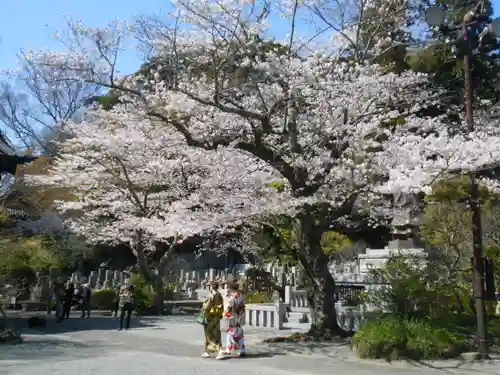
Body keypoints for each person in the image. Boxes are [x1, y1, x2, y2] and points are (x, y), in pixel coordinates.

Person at [216, 280, 246, 360]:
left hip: (233, 317)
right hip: (240, 316)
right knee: (236, 333)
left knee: (233, 333)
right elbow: (243, 306)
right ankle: (234, 348)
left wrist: (226, 312)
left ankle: (235, 348)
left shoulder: (233, 297)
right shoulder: (241, 295)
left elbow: (229, 308)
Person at [201, 281, 224, 358]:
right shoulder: (219, 295)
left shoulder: (211, 295)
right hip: (217, 316)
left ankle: (219, 350)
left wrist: (204, 303)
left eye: (209, 286)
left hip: (210, 317)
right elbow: (222, 306)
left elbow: (206, 307)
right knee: (216, 333)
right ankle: (208, 351)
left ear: (211, 287)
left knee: (209, 334)